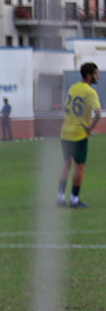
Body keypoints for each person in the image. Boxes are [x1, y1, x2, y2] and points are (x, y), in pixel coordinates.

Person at [58, 62, 101, 208]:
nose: (98, 76)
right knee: (80, 166)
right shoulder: (90, 92)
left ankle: (60, 197)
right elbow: (98, 113)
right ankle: (74, 200)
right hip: (78, 134)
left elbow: (66, 107)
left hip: (65, 132)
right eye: (96, 74)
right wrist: (90, 128)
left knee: (66, 164)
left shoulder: (73, 87)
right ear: (89, 76)